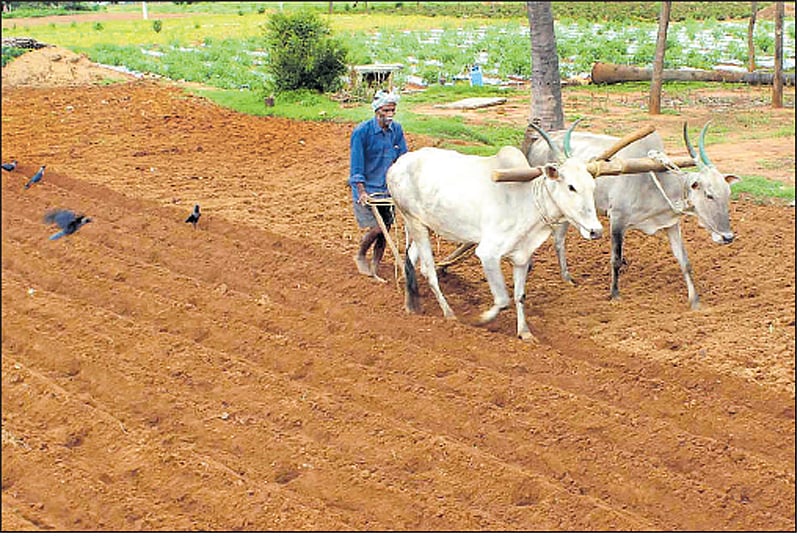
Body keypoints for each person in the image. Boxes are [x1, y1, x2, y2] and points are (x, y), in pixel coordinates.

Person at [348, 89, 408, 282]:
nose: (390, 115)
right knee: (376, 229)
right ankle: (360, 254)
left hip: (387, 189)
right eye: (386, 110)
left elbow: (403, 159)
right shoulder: (361, 133)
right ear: (377, 111)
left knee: (386, 230)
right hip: (367, 190)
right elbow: (356, 164)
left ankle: (375, 267)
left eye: (393, 110)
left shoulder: (396, 130)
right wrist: (361, 191)